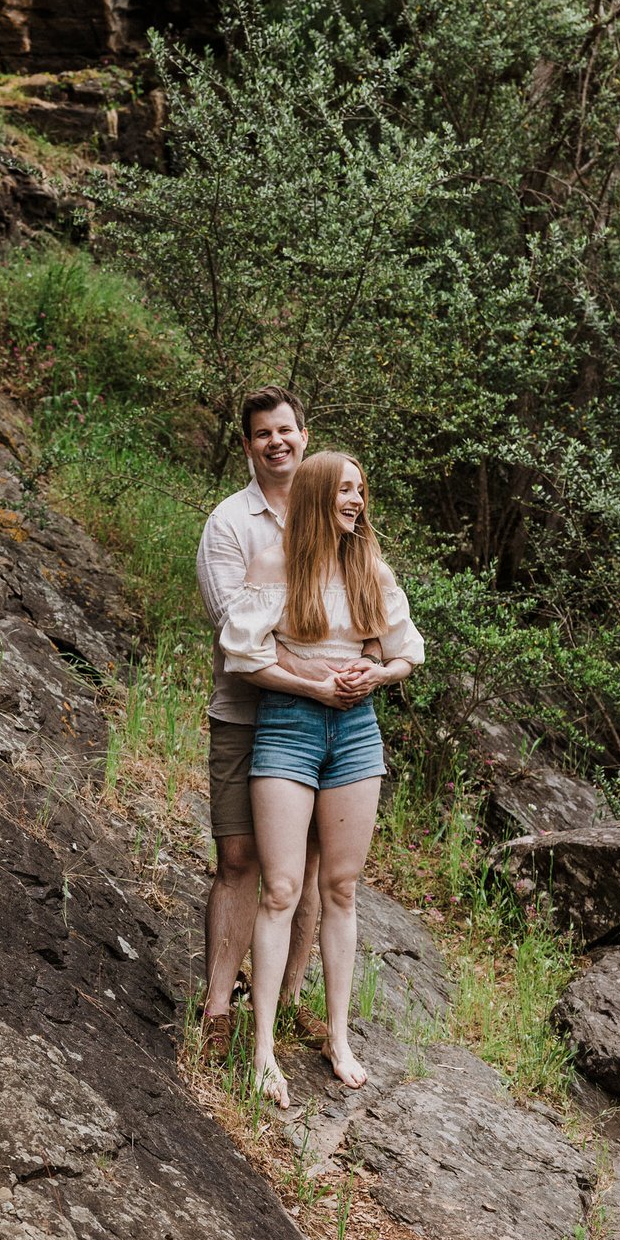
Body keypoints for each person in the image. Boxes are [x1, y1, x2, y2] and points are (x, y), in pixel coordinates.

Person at [219, 450, 423, 1105]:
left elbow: (407, 652)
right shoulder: (276, 564)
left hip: (357, 733)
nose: (356, 502)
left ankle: (338, 1038)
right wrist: (312, 684)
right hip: (286, 726)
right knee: (280, 888)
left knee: (340, 886)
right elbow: (245, 659)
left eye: (361, 491)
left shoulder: (370, 569)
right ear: (314, 496)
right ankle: (262, 1052)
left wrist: (377, 674)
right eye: (344, 491)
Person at [193, 388, 326, 1064]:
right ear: (246, 447)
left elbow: (355, 605)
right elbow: (238, 638)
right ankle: (217, 1006)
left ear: (304, 435)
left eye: (285, 430)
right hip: (246, 717)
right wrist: (312, 655)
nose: (276, 442)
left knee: (306, 863)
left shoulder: (333, 509)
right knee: (240, 859)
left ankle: (288, 997)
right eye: (261, 434)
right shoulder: (227, 524)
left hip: (319, 720)